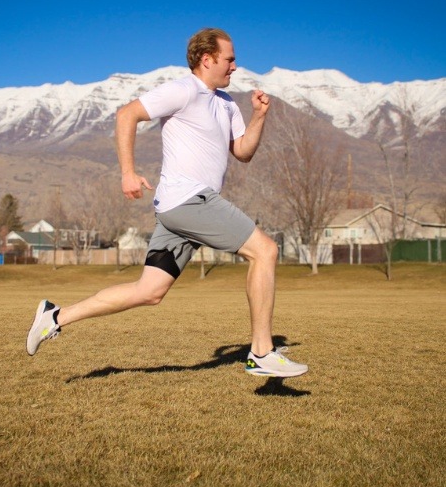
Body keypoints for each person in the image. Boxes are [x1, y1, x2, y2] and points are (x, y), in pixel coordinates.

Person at [26, 28, 308, 378]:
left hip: (181, 207)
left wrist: (260, 116)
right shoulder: (183, 90)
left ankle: (55, 317)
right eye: (230, 58)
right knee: (265, 251)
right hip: (189, 200)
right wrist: (128, 173)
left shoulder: (227, 104)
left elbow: (243, 152)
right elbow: (126, 114)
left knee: (149, 291)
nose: (235, 65)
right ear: (207, 59)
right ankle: (262, 352)